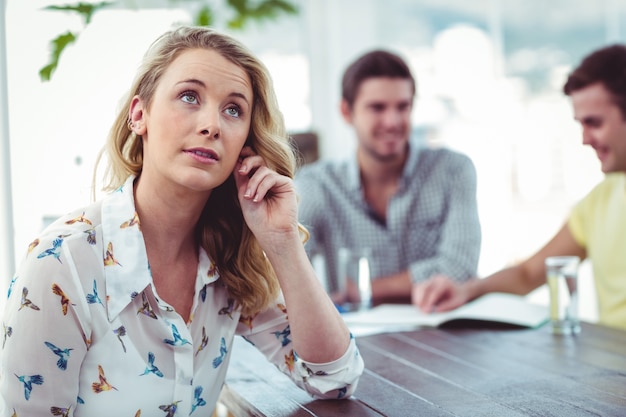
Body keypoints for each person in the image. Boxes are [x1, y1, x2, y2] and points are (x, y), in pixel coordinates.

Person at [0, 26, 364, 416]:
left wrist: (282, 240)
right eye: (189, 97)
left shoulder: (228, 261)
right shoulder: (60, 263)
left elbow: (334, 378)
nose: (212, 125)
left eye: (233, 109)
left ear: (246, 142)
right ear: (139, 115)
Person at [414, 44, 626, 331]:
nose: (585, 139)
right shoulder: (599, 202)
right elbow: (528, 274)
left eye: (594, 123)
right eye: (581, 125)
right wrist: (468, 290)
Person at [295, 49, 482, 306]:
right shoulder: (317, 185)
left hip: (441, 331)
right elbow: (284, 267)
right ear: (346, 112)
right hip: (358, 339)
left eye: (402, 107)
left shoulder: (453, 170)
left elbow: (460, 266)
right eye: (377, 108)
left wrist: (363, 289)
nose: (393, 121)